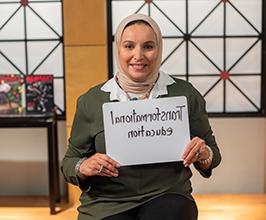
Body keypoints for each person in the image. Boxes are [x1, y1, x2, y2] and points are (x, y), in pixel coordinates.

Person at [61, 14, 221, 220]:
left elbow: (213, 154)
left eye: (148, 46)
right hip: (106, 204)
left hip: (168, 197)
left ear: (159, 49)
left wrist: (203, 153)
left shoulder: (185, 94)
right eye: (129, 46)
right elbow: (69, 162)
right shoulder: (91, 101)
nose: (138, 55)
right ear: (118, 49)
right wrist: (82, 166)